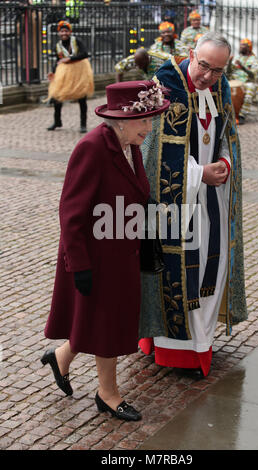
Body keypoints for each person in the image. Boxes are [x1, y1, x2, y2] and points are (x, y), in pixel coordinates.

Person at [41, 80, 170, 422]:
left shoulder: (131, 146)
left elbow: (136, 193)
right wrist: (79, 265)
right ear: (122, 119)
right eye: (144, 119)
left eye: (151, 119)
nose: (149, 126)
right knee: (107, 324)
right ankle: (108, 395)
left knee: (99, 320)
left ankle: (62, 357)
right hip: (95, 256)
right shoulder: (92, 147)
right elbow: (71, 212)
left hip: (121, 251)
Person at [138, 32, 247, 379]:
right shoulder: (163, 85)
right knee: (173, 268)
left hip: (211, 200)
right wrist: (200, 173)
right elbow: (150, 155)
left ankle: (200, 345)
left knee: (207, 270)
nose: (208, 77)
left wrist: (226, 166)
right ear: (190, 54)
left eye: (217, 70)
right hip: (174, 204)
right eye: (203, 66)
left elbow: (228, 137)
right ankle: (170, 345)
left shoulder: (221, 87)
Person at [47, 20, 94, 133]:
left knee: (82, 98)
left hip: (79, 71)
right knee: (57, 95)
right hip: (65, 72)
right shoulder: (57, 46)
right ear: (59, 33)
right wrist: (53, 73)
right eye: (62, 31)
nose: (64, 33)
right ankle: (57, 121)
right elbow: (59, 61)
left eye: (66, 31)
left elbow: (84, 54)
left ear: (70, 32)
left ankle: (83, 124)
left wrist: (70, 59)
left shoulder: (76, 41)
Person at [226, 38, 258, 124]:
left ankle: (242, 115)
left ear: (249, 48)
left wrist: (242, 67)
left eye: (243, 45)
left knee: (250, 90)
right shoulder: (237, 57)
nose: (241, 47)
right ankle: (225, 113)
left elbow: (253, 75)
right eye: (240, 45)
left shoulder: (254, 60)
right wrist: (230, 62)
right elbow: (229, 72)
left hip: (247, 82)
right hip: (235, 81)